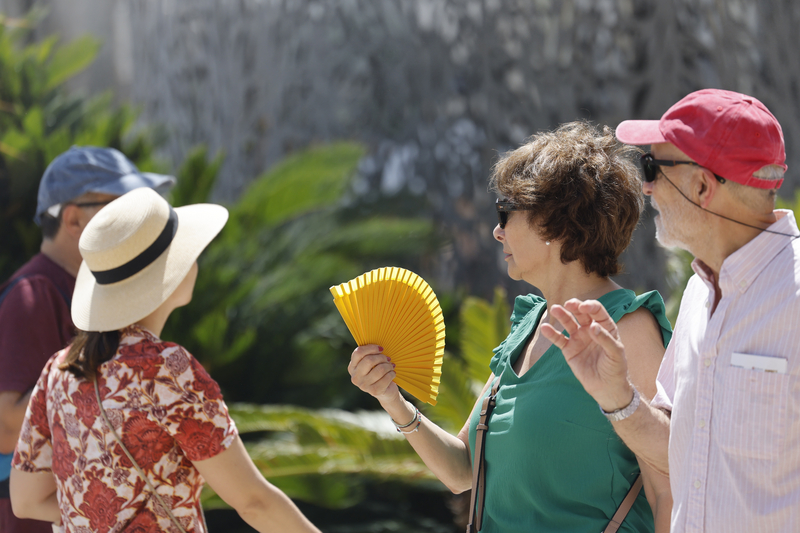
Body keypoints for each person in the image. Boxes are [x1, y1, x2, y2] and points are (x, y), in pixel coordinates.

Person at [348, 122, 673, 532]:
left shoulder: (628, 327)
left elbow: (666, 490)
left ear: (556, 223)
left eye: (506, 212)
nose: (497, 230)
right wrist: (391, 397)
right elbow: (461, 470)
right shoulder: (528, 326)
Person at [541, 89, 800, 532]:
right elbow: (676, 453)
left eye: (652, 167)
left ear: (702, 186)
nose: (646, 187)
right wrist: (616, 395)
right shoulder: (700, 293)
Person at [9, 188, 321, 533]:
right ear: (174, 272)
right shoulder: (166, 371)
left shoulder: (59, 369)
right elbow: (253, 502)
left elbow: (26, 500)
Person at [0, 146, 175, 533]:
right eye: (121, 206)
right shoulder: (34, 294)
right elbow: (6, 427)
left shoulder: (85, 291)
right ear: (73, 219)